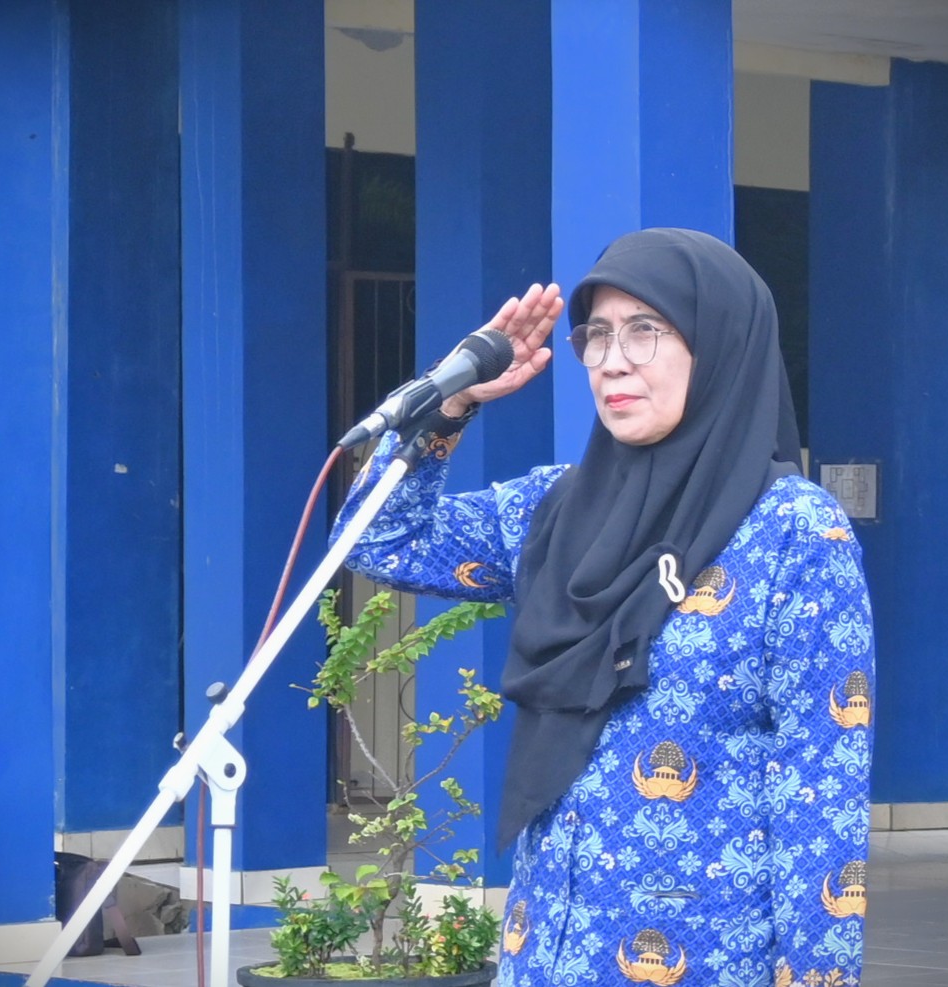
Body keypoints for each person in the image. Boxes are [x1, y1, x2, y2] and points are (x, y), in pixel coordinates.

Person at [333, 228, 874, 987]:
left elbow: (821, 784)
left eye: (646, 331)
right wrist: (448, 406)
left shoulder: (793, 532)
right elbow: (377, 540)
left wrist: (820, 974)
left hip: (710, 959)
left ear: (719, 344)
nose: (612, 359)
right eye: (596, 334)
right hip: (547, 948)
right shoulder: (558, 509)